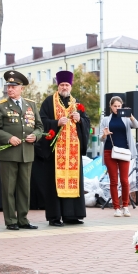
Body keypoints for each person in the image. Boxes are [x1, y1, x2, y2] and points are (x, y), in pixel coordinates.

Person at [34, 71, 92, 226]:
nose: (64, 87)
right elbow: (41, 122)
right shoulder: (49, 102)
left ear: (70, 86)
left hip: (72, 152)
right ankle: (55, 216)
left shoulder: (77, 103)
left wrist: (81, 120)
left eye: (67, 85)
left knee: (73, 181)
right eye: (62, 85)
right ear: (58, 86)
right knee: (55, 183)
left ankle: (72, 215)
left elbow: (87, 122)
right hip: (55, 152)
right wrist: (56, 123)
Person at [0, 71, 44, 231]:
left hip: (27, 152)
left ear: (21, 88)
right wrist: (8, 138)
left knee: (24, 189)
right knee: (8, 189)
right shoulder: (1, 106)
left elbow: (39, 127)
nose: (10, 89)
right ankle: (11, 220)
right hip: (9, 153)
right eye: (8, 86)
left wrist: (35, 135)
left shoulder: (31, 105)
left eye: (13, 86)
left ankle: (23, 219)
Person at [99, 95, 138, 216]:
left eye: (119, 106)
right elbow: (101, 139)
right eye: (115, 106)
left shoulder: (126, 119)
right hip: (109, 151)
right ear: (111, 107)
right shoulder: (105, 120)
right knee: (113, 180)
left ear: (122, 106)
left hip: (124, 152)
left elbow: (136, 125)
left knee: (124, 180)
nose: (117, 108)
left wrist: (131, 116)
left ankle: (125, 206)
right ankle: (116, 208)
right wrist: (105, 135)